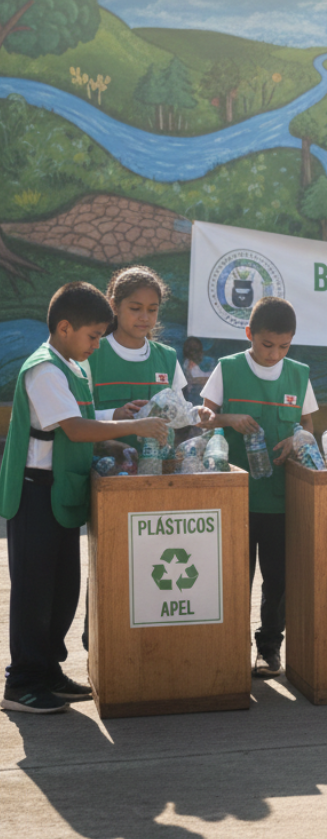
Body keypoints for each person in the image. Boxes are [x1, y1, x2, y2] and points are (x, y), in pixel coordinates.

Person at [0, 282, 168, 713]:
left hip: (61, 493)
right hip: (36, 494)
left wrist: (117, 416)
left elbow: (86, 416)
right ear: (64, 327)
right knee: (34, 592)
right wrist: (134, 429)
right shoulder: (44, 369)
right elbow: (74, 428)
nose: (97, 344)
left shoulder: (72, 366)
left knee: (61, 591)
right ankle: (22, 683)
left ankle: (48, 672)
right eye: (93, 336)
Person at [200, 297, 318, 679]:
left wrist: (297, 440)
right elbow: (202, 420)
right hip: (233, 498)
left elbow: (308, 428)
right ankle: (229, 649)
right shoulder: (228, 368)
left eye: (284, 346)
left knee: (278, 580)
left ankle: (269, 648)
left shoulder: (299, 374)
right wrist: (227, 418)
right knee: (234, 576)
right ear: (250, 334)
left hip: (281, 500)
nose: (274, 354)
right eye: (267, 345)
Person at [88, 265, 187, 443]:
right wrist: (113, 415)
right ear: (114, 307)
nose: (144, 317)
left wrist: (197, 414)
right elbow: (74, 420)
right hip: (105, 467)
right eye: (135, 308)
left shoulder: (168, 357)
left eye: (152, 310)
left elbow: (180, 417)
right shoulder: (90, 353)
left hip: (158, 468)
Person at [182, 336, 210, 405]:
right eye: (194, 349)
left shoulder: (196, 365)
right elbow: (196, 379)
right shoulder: (188, 365)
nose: (199, 353)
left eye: (198, 349)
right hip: (194, 400)